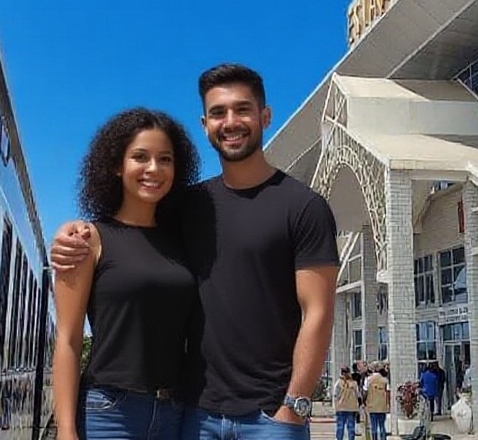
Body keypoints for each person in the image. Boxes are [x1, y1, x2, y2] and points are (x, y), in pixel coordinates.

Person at [52, 64, 340, 440]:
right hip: (192, 414)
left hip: (268, 418)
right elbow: (131, 234)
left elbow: (318, 312)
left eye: (243, 109)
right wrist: (68, 233)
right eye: (219, 113)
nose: (230, 121)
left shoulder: (304, 207)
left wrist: (294, 406)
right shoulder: (186, 207)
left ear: (265, 116)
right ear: (205, 125)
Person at [52, 108, 202, 440]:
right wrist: (66, 430)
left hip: (175, 413)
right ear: (117, 166)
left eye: (165, 159)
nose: (154, 168)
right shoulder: (88, 240)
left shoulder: (182, 242)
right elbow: (68, 339)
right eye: (140, 157)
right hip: (109, 413)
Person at [332, 366, 361, 440]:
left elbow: (335, 395)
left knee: (340, 426)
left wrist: (336, 406)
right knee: (351, 426)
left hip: (341, 407)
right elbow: (358, 395)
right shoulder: (354, 383)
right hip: (351, 408)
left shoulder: (338, 383)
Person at [362, 363, 389, 440]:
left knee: (373, 426)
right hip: (382, 406)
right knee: (382, 426)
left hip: (372, 405)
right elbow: (388, 393)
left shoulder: (368, 379)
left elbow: (365, 392)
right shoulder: (385, 380)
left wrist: (364, 402)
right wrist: (388, 404)